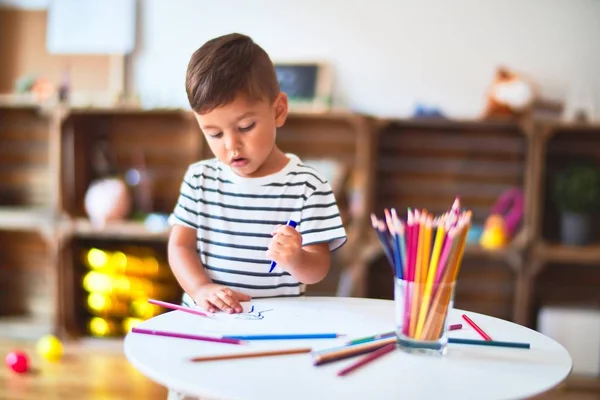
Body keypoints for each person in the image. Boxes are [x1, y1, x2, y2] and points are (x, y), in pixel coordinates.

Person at [167, 32, 347, 319]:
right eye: (213, 133)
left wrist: (297, 258)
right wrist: (200, 289)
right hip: (206, 321)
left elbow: (318, 269)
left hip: (276, 326)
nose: (231, 145)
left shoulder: (308, 186)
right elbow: (180, 246)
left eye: (246, 126)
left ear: (278, 110)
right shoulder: (199, 179)